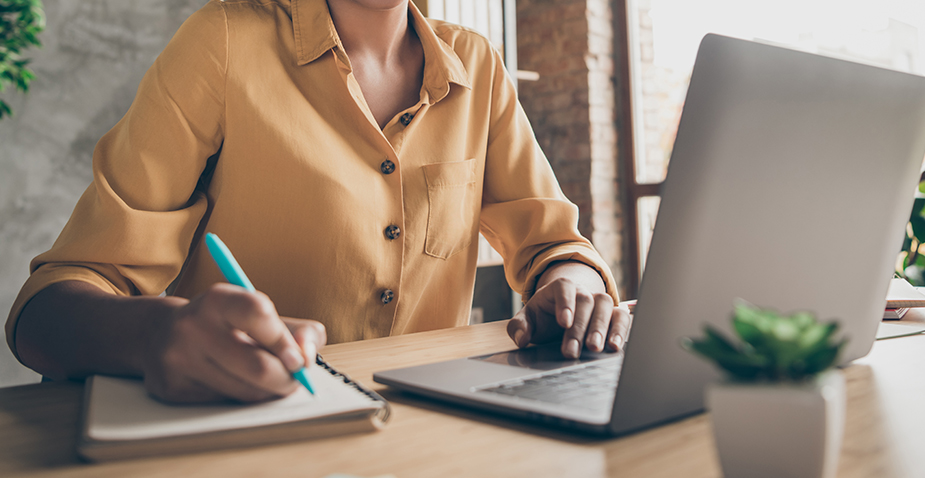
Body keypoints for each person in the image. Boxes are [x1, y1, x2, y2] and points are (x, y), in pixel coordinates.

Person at [4, 0, 630, 403]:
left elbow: (553, 243)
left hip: (437, 434)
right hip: (249, 434)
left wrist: (569, 279)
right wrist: (154, 334)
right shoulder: (223, 42)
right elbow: (45, 315)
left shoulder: (477, 64)